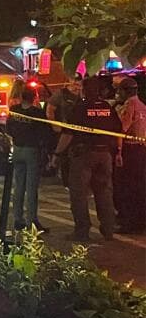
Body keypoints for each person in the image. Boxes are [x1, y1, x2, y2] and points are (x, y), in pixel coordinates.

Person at [51, 77, 121, 242]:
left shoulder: (80, 108)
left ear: (85, 90)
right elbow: (118, 132)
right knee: (104, 192)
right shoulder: (107, 108)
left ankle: (82, 231)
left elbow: (68, 134)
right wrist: (118, 152)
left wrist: (57, 154)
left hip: (84, 156)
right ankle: (108, 229)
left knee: (79, 194)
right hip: (105, 155)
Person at [8, 88, 51, 232]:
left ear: (21, 97)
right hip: (31, 150)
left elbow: (9, 128)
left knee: (19, 185)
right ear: (34, 98)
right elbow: (45, 131)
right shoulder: (37, 113)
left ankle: (17, 218)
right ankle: (31, 220)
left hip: (17, 148)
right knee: (31, 187)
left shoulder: (14, 110)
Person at [114, 77, 146, 234]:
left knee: (126, 188)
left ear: (124, 91)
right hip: (141, 151)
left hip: (130, 151)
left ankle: (129, 222)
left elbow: (121, 130)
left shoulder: (129, 106)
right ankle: (140, 221)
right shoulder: (142, 106)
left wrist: (118, 152)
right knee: (140, 187)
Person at [47, 76, 83, 187]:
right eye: (75, 82)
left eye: (79, 83)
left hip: (79, 131)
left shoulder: (82, 95)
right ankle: (66, 182)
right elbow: (50, 109)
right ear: (69, 82)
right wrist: (54, 125)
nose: (77, 85)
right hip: (64, 130)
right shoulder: (61, 94)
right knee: (64, 156)